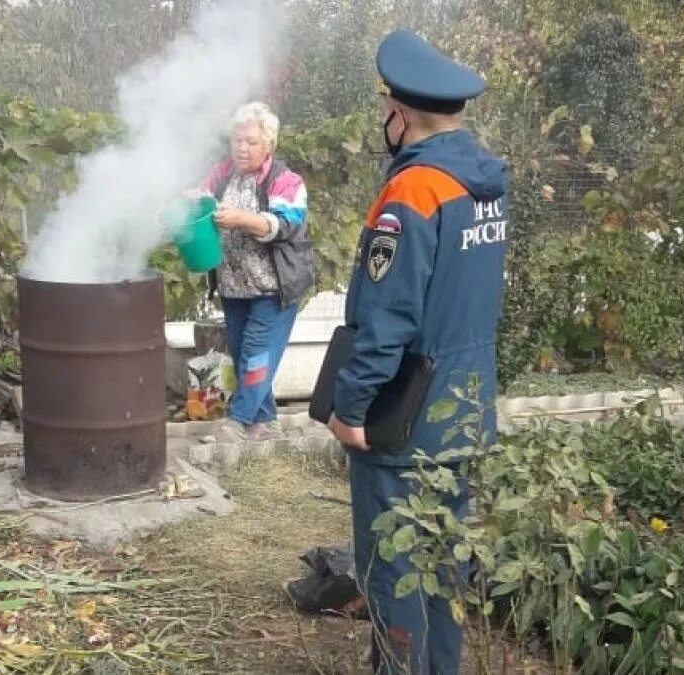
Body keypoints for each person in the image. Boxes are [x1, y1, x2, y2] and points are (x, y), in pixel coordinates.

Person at [326, 29, 510, 675]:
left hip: (403, 421)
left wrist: (351, 407)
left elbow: (390, 317)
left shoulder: (413, 192)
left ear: (400, 115)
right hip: (463, 413)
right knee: (444, 577)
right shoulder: (484, 185)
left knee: (395, 578)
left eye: (385, 111)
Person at [190, 102, 315, 442]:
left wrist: (244, 220)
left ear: (269, 145)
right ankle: (267, 422)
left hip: (273, 288)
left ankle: (239, 421)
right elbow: (201, 197)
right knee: (244, 353)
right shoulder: (223, 173)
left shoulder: (285, 181)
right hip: (234, 287)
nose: (242, 148)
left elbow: (287, 224)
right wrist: (192, 200)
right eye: (237, 140)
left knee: (257, 353)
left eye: (251, 142)